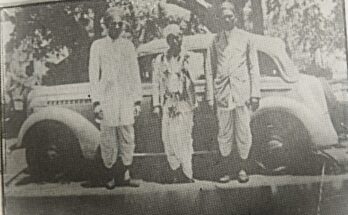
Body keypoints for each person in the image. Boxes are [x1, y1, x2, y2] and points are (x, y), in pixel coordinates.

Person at [87, 7, 142, 189]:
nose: (117, 27)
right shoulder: (98, 46)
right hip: (107, 98)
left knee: (127, 136)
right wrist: (96, 102)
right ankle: (109, 175)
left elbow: (135, 74)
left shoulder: (128, 46)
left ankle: (125, 174)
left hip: (125, 97)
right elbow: (94, 75)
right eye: (113, 24)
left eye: (120, 24)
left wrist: (137, 100)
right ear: (106, 25)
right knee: (108, 138)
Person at [208, 0, 261, 183]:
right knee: (224, 133)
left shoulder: (246, 38)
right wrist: (211, 96)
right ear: (220, 20)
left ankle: (242, 169)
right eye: (224, 17)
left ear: (235, 17)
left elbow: (253, 67)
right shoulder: (215, 40)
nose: (227, 20)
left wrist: (255, 93)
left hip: (242, 92)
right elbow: (211, 69)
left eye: (230, 16)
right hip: (223, 93)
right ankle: (227, 170)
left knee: (243, 131)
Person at [152, 24, 196, 183]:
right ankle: (174, 170)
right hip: (168, 102)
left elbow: (196, 78)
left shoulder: (189, 57)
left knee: (183, 137)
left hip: (184, 102)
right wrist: (156, 104)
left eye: (177, 37)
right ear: (168, 40)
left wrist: (186, 68)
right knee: (168, 138)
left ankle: (186, 172)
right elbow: (156, 83)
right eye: (171, 38)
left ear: (181, 38)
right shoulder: (161, 59)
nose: (175, 41)